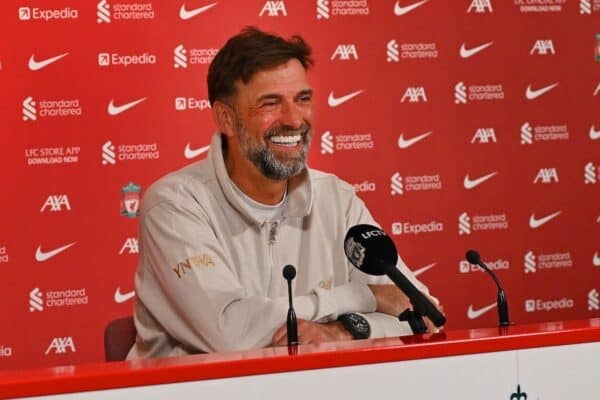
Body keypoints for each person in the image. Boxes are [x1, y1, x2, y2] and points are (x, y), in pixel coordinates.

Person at [127, 27, 443, 358]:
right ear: (227, 119)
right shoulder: (175, 205)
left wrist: (343, 330)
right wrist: (364, 296)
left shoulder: (337, 198)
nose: (294, 120)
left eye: (302, 99)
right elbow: (230, 335)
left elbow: (423, 314)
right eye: (271, 103)